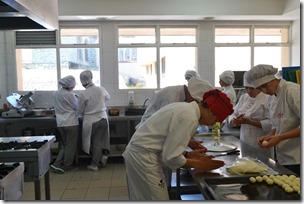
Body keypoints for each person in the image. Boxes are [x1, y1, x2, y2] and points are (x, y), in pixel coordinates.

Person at [123, 89, 234, 200]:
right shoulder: (190, 118)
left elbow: (166, 142)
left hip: (139, 154)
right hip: (143, 159)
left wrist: (187, 155)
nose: (213, 124)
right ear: (210, 110)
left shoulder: (186, 109)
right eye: (215, 120)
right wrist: (200, 164)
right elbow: (170, 158)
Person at [136, 77, 213, 190]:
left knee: (159, 186)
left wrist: (189, 142)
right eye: (197, 101)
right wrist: (197, 163)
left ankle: (167, 191)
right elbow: (168, 130)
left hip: (153, 144)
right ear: (192, 94)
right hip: (148, 144)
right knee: (153, 190)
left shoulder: (180, 96)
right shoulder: (171, 96)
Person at [245, 64, 300, 176]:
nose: (264, 91)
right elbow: (277, 124)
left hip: (298, 156)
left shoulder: (294, 92)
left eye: (265, 86)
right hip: (283, 156)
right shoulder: (272, 97)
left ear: (273, 79)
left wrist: (279, 137)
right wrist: (270, 135)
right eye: (260, 88)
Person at [228, 72, 274, 158]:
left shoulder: (268, 98)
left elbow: (272, 123)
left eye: (252, 88)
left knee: (262, 165)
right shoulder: (244, 97)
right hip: (244, 139)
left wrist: (250, 122)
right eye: (246, 88)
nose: (249, 91)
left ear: (258, 87)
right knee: (246, 163)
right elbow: (233, 112)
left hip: (261, 140)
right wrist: (234, 120)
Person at [77, 70, 111, 171]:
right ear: (91, 78)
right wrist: (99, 103)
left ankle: (95, 163)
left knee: (91, 142)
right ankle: (97, 161)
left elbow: (80, 110)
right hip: (103, 118)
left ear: (82, 81)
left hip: (91, 121)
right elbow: (108, 98)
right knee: (97, 142)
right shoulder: (101, 89)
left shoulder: (83, 94)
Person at [51, 75, 79, 174]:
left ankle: (57, 164)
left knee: (64, 145)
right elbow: (76, 107)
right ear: (70, 86)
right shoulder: (70, 95)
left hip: (60, 123)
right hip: (71, 123)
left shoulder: (55, 93)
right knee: (70, 145)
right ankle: (67, 165)